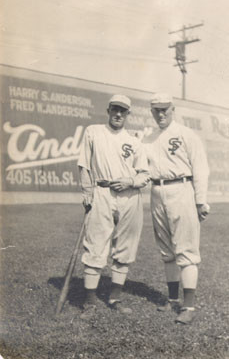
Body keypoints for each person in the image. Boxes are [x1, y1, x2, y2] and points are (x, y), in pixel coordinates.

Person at [77, 94, 150, 319]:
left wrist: (130, 181)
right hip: (102, 191)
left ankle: (115, 298)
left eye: (123, 111)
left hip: (130, 196)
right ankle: (90, 302)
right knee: (96, 244)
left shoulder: (135, 140)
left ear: (128, 114)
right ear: (108, 110)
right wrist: (87, 191)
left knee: (125, 248)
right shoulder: (93, 132)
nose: (118, 114)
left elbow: (144, 173)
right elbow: (84, 164)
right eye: (115, 109)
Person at [143, 93, 210, 325]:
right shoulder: (148, 138)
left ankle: (188, 305)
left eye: (165, 109)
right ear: (152, 112)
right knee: (167, 251)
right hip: (156, 191)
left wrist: (200, 200)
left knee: (186, 250)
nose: (161, 114)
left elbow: (200, 167)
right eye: (156, 110)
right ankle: (172, 299)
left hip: (182, 189)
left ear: (173, 110)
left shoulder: (186, 134)